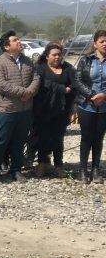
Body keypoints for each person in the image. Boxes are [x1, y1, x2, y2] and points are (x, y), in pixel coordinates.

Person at [0, 30, 40, 182]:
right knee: (1, 141)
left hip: (24, 110)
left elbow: (36, 78)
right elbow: (1, 84)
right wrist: (23, 92)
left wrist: (29, 92)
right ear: (6, 46)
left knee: (19, 141)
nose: (19, 42)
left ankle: (16, 170)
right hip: (6, 110)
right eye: (15, 40)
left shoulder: (27, 61)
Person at [32, 43, 74, 179]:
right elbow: (41, 83)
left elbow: (74, 84)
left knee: (58, 139)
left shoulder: (68, 68)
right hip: (43, 110)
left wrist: (73, 104)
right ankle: (42, 164)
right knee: (42, 138)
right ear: (47, 56)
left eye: (59, 55)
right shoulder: (40, 68)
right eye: (54, 55)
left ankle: (59, 165)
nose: (57, 57)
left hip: (62, 110)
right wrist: (62, 88)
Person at [72, 30, 106, 183]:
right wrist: (92, 95)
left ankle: (96, 169)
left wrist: (103, 95)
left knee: (99, 138)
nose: (105, 44)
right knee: (86, 137)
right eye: (102, 41)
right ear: (95, 44)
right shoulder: (86, 60)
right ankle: (82, 170)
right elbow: (78, 81)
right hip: (87, 105)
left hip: (104, 106)